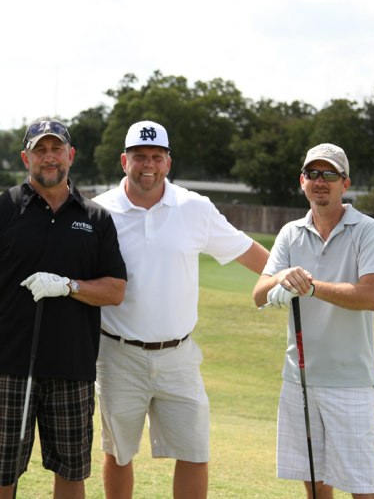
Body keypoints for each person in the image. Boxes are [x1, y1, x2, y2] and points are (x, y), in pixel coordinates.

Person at [92, 120, 270, 499]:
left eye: (157, 157)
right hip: (117, 354)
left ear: (168, 162)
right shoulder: (99, 211)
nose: (149, 165)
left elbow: (248, 252)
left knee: (193, 452)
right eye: (140, 156)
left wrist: (289, 276)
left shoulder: (194, 208)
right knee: (119, 453)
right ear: (124, 160)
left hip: (179, 356)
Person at [0, 116, 128, 499]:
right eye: (40, 150)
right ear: (26, 158)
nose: (49, 157)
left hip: (73, 367)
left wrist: (69, 286)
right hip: (8, 366)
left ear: (71, 155)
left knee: (70, 472)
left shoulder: (96, 218)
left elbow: (115, 290)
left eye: (56, 149)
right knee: (2, 471)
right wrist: (4, 320)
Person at [252, 143, 374, 499]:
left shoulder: (367, 229)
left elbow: (371, 296)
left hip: (350, 381)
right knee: (314, 483)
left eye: (330, 174)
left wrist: (311, 287)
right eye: (312, 173)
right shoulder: (290, 232)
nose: (320, 181)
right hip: (299, 380)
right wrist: (282, 278)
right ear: (302, 181)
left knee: (363, 487)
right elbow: (259, 294)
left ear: (345, 183)